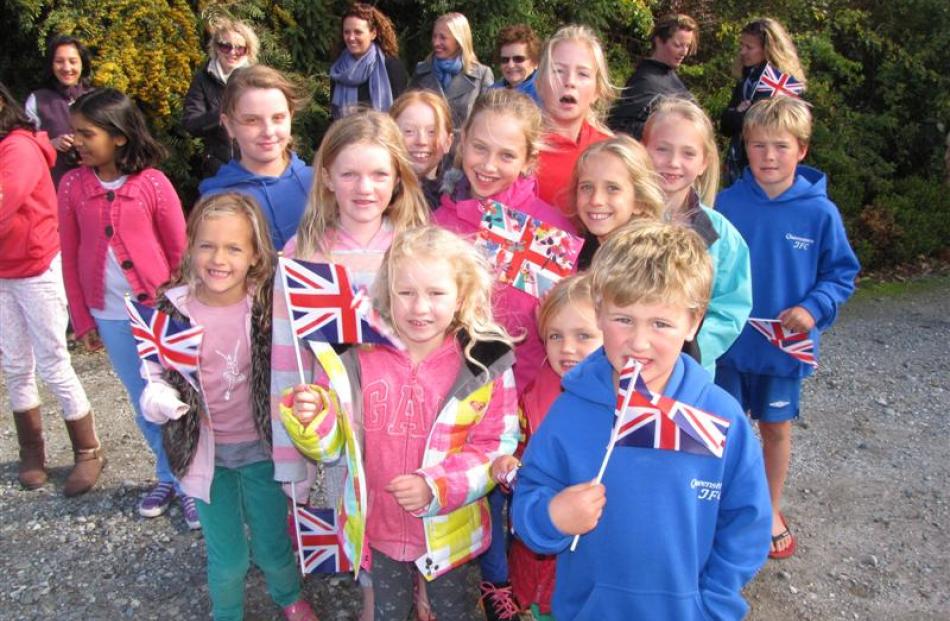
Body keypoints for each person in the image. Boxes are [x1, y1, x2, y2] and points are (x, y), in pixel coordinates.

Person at [512, 220, 772, 620]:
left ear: (694, 321)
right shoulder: (571, 409)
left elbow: (746, 521)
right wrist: (552, 516)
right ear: (599, 312)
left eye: (661, 323)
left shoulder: (719, 416)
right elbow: (531, 496)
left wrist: (713, 604)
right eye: (623, 319)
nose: (639, 341)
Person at [280, 225, 519, 621]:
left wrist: (436, 485)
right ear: (387, 293)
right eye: (406, 293)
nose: (419, 308)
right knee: (388, 611)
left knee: (452, 611)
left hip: (448, 529)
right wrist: (311, 420)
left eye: (436, 293)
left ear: (461, 296)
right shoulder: (355, 354)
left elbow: (496, 444)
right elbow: (332, 445)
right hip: (379, 522)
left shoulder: (484, 363)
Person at [270, 110, 429, 621]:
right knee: (363, 510)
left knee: (417, 503)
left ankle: (425, 590)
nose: (365, 187)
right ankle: (373, 597)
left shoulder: (420, 247)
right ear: (326, 178)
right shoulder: (303, 255)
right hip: (347, 422)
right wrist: (292, 450)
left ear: (399, 180)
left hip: (415, 415)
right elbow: (285, 352)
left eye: (380, 174)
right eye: (350, 173)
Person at [138, 193, 317, 621]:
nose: (219, 258)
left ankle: (288, 593)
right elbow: (152, 373)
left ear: (255, 255)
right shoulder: (172, 311)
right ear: (190, 247)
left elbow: (300, 358)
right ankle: (227, 610)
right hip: (207, 457)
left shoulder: (268, 306)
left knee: (274, 540)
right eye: (207, 245)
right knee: (227, 555)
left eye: (234, 247)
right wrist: (157, 398)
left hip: (262, 451)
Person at [715, 96, 860, 560]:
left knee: (775, 428)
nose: (769, 157)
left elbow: (840, 273)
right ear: (745, 147)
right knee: (725, 429)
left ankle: (770, 509)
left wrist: (814, 308)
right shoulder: (725, 203)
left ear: (802, 149)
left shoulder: (820, 213)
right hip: (729, 344)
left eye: (780, 146)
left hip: (784, 348)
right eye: (758, 146)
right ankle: (721, 509)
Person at [58, 88, 190, 523]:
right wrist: (83, 320)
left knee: (175, 395)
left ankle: (192, 479)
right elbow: (70, 251)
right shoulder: (73, 185)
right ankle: (167, 475)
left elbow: (179, 252)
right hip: (110, 315)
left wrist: (186, 309)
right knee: (142, 400)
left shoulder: (152, 183)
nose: (76, 140)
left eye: (86, 132)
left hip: (161, 313)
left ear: (118, 136)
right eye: (75, 132)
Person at [434, 88, 575, 393]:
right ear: (463, 140)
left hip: (522, 405)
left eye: (507, 155)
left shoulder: (551, 232)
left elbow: (561, 334)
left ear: (528, 160)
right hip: (445, 398)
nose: (488, 165)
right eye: (480, 148)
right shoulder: (436, 226)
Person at [0, 81, 103, 496]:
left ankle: (88, 449)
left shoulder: (19, 148)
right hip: (4, 272)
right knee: (14, 365)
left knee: (53, 362)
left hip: (36, 267)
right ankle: (32, 451)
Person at [492, 274, 603, 621]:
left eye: (583, 336)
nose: (567, 347)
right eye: (556, 336)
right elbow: (524, 455)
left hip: (590, 558)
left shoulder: (626, 406)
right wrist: (510, 466)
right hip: (537, 542)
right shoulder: (533, 393)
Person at [642, 97, 752, 376]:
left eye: (688, 154)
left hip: (686, 373)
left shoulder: (722, 236)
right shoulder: (622, 221)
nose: (673, 162)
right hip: (620, 364)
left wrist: (690, 351)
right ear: (642, 150)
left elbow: (730, 308)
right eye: (662, 149)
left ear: (704, 162)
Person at [199, 65, 313, 250]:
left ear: (290, 117)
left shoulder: (321, 184)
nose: (268, 132)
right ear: (229, 126)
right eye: (252, 120)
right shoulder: (218, 201)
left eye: (278, 118)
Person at [534, 25, 615, 214]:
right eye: (558, 71)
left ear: (597, 90)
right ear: (540, 84)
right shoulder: (519, 146)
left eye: (582, 74)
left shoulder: (612, 151)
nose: (569, 81)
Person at [721, 17, 807, 184]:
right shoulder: (747, 79)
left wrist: (740, 113)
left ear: (768, 49)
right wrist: (738, 114)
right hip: (738, 164)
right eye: (742, 46)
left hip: (767, 169)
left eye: (749, 47)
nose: (742, 52)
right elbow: (725, 124)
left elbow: (757, 125)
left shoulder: (781, 85)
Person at [571, 135, 666, 270]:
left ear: (639, 201)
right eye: (587, 187)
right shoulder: (574, 250)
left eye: (612, 188)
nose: (596, 200)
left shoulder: (651, 265)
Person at [183, 17, 260, 177]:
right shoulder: (203, 79)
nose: (233, 52)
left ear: (248, 51)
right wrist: (222, 114)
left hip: (253, 163)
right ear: (216, 48)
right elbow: (191, 123)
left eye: (240, 48)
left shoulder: (257, 78)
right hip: (217, 167)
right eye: (226, 46)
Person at [607, 14, 698, 139]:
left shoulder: (671, 79)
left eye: (687, 46)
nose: (684, 52)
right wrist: (663, 133)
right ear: (659, 41)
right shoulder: (645, 82)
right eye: (678, 45)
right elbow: (618, 127)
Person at [24, 34, 94, 186]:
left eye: (73, 61)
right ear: (51, 65)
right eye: (59, 61)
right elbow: (24, 147)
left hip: (95, 188)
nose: (67, 68)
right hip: (54, 187)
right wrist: (50, 144)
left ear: (83, 63)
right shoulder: (37, 100)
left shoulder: (97, 98)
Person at [410, 12, 493, 131]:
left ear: (459, 41)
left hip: (463, 148)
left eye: (443, 38)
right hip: (428, 146)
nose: (436, 43)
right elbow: (407, 110)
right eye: (434, 36)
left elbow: (489, 120)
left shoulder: (482, 75)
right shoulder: (421, 71)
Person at [330, 2, 408, 120]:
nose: (351, 38)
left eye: (358, 32)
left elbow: (402, 114)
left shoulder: (391, 67)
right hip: (345, 135)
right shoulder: (339, 70)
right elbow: (333, 116)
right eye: (347, 32)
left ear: (373, 33)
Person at [390, 90, 454, 209]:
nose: (421, 141)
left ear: (448, 142)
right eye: (409, 131)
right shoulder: (379, 197)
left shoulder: (457, 198)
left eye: (432, 132)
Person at [491, 24, 542, 105]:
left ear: (535, 62)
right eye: (505, 60)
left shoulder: (545, 94)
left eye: (518, 59)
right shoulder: (491, 94)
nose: (510, 65)